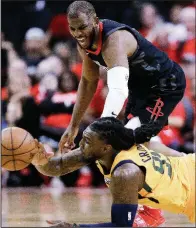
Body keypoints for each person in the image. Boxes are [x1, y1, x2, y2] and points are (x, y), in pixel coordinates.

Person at [59, 1, 186, 152]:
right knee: (129, 140)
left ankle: (189, 165)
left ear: (95, 20)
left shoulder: (113, 39)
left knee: (134, 138)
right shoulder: (84, 41)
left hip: (165, 83)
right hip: (140, 88)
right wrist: (73, 126)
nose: (78, 33)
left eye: (82, 27)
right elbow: (88, 81)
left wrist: (99, 130)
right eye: (72, 28)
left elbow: (118, 91)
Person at [32, 117, 195, 227]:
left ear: (106, 148)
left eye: (87, 140)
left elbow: (121, 225)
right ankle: (149, 214)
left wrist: (75, 226)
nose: (80, 144)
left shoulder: (125, 173)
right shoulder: (100, 150)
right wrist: (36, 157)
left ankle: (149, 214)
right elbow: (57, 166)